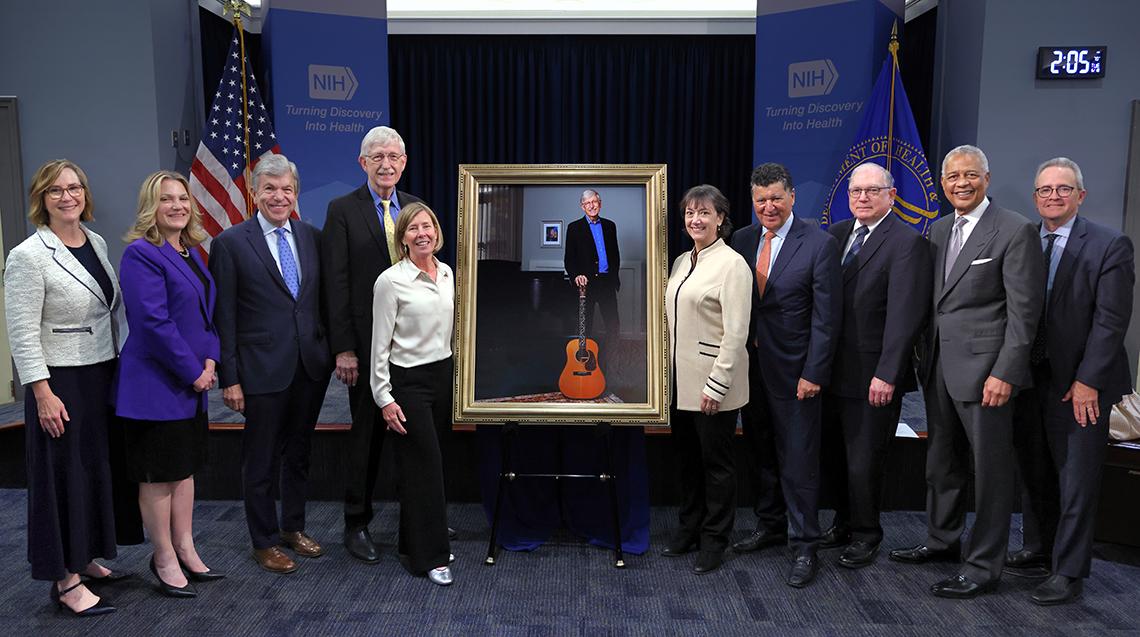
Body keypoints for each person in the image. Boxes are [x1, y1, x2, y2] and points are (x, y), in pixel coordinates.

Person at [889, 145, 1045, 599]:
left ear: (987, 179)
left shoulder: (1014, 230)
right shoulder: (937, 230)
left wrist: (1007, 372)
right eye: (953, 176)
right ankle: (942, 540)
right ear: (942, 183)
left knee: (992, 473)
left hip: (987, 375)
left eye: (970, 175)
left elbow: (1024, 314)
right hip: (937, 368)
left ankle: (983, 567)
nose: (961, 183)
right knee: (942, 463)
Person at [1007, 157, 1134, 605]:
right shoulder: (1024, 240)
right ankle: (1039, 548)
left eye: (1063, 189)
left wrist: (1088, 381)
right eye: (1044, 190)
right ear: (1035, 195)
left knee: (1076, 479)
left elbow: (1111, 321)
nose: (1053, 196)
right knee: (1035, 470)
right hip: (1030, 378)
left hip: (1081, 387)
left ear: (1080, 195)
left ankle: (1069, 570)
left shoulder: (1109, 243)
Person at [4, 160, 124, 616]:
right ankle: (66, 579)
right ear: (41, 198)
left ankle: (85, 556)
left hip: (98, 375)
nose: (67, 196)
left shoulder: (95, 242)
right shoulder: (28, 255)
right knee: (59, 477)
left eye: (74, 188)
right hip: (58, 382)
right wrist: (41, 392)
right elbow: (21, 332)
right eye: (55, 190)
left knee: (91, 469)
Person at [209, 154, 332, 574]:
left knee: (298, 454)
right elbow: (223, 316)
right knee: (260, 461)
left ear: (295, 193)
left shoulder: (312, 236)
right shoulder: (230, 243)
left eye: (286, 189)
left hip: (309, 368)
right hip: (259, 370)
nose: (279, 196)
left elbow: (318, 303)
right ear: (254, 192)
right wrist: (231, 378)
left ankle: (292, 528)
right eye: (270, 189)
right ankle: (263, 541)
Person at [730, 162, 841, 588]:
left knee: (798, 461)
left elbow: (827, 319)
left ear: (792, 197)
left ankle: (805, 544)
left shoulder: (818, 243)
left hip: (797, 374)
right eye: (761, 200)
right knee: (762, 453)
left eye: (776, 197)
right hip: (751, 369)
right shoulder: (741, 239)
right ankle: (770, 525)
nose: (768, 206)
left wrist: (814, 371)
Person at [114, 170, 224, 597]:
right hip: (156, 387)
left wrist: (211, 357)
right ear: (150, 208)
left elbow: (205, 314)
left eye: (183, 198)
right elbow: (153, 324)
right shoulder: (141, 254)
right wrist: (194, 371)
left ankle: (186, 547)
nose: (177, 205)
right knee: (159, 476)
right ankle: (162, 556)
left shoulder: (191, 252)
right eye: (166, 199)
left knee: (184, 471)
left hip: (192, 384)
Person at [323, 126, 430, 563]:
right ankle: (356, 523)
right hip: (366, 349)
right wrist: (344, 348)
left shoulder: (416, 209)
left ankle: (421, 519)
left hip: (414, 349)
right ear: (362, 162)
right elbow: (337, 283)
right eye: (377, 156)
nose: (387, 164)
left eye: (394, 156)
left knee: (415, 437)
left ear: (404, 162)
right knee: (365, 438)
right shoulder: (342, 210)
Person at [820, 162, 932, 569]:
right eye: (856, 192)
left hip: (874, 376)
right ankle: (843, 522)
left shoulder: (906, 242)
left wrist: (888, 372)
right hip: (832, 372)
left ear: (891, 195)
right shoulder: (834, 236)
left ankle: (867, 533)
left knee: (865, 460)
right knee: (834, 456)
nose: (863, 198)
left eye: (872, 191)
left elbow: (905, 317)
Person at [662, 185, 752, 575]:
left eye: (704, 213)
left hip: (714, 385)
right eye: (689, 214)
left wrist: (716, 386)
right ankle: (689, 528)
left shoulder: (733, 265)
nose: (695, 220)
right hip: (679, 384)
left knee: (717, 466)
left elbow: (736, 334)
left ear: (720, 219)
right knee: (687, 462)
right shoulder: (682, 261)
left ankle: (715, 539)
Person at [370, 202, 456, 586]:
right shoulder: (390, 282)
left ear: (436, 231)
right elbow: (379, 348)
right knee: (425, 470)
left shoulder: (448, 273)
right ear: (402, 238)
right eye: (413, 228)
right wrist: (384, 398)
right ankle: (431, 557)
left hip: (444, 378)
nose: (422, 233)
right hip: (409, 384)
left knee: (431, 467)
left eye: (428, 225)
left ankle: (414, 542)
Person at [564, 189, 621, 348]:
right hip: (585, 285)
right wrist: (576, 276)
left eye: (594, 202)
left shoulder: (610, 226)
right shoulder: (574, 228)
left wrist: (614, 278)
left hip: (607, 283)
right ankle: (585, 361)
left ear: (600, 204)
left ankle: (613, 363)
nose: (591, 206)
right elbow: (569, 259)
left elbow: (615, 255)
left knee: (613, 325)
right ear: (582, 207)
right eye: (587, 203)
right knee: (585, 327)